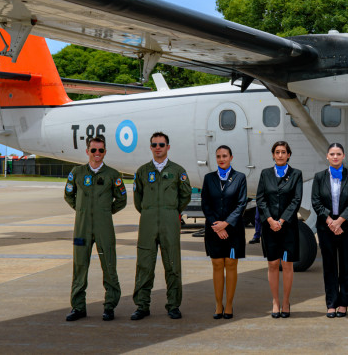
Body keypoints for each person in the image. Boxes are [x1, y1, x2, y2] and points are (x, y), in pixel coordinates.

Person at [63, 135, 128, 322]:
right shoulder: (77, 172)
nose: (97, 153)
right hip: (81, 229)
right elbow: (69, 196)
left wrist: (105, 212)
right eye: (93, 150)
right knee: (79, 266)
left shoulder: (113, 175)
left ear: (105, 152)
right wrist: (82, 210)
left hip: (104, 228)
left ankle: (109, 307)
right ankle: (78, 307)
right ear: (87, 151)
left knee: (109, 265)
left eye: (100, 150)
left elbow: (122, 200)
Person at [131, 132, 192, 320]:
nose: (158, 147)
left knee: (173, 264)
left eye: (162, 144)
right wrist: (149, 211)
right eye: (155, 144)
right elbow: (137, 199)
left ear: (168, 147)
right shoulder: (142, 171)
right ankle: (142, 305)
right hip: (148, 222)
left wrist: (171, 211)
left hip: (169, 222)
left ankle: (173, 305)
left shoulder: (178, 171)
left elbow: (185, 195)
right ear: (150, 147)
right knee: (144, 265)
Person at [311, 142, 348, 318]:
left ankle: (344, 303)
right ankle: (331, 303)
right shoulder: (319, 177)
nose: (335, 157)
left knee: (347, 265)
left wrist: (339, 221)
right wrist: (330, 221)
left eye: (338, 154)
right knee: (329, 265)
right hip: (326, 228)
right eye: (332, 154)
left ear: (343, 156)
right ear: (327, 156)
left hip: (347, 226)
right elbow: (316, 201)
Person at [255, 141, 302, 318]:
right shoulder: (265, 174)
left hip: (288, 226)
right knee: (273, 264)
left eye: (283, 152)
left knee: (287, 264)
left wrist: (281, 220)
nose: (280, 155)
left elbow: (296, 200)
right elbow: (260, 199)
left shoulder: (296, 174)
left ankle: (286, 301)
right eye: (277, 152)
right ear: (273, 155)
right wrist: (269, 219)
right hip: (269, 227)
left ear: (288, 154)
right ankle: (275, 301)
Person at [200, 145, 248, 319]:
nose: (221, 159)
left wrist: (226, 224)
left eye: (225, 156)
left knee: (231, 264)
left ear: (231, 157)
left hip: (233, 230)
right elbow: (205, 203)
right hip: (214, 230)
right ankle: (218, 305)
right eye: (219, 156)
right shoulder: (209, 178)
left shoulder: (240, 178)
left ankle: (229, 304)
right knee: (217, 265)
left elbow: (241, 204)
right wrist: (216, 225)